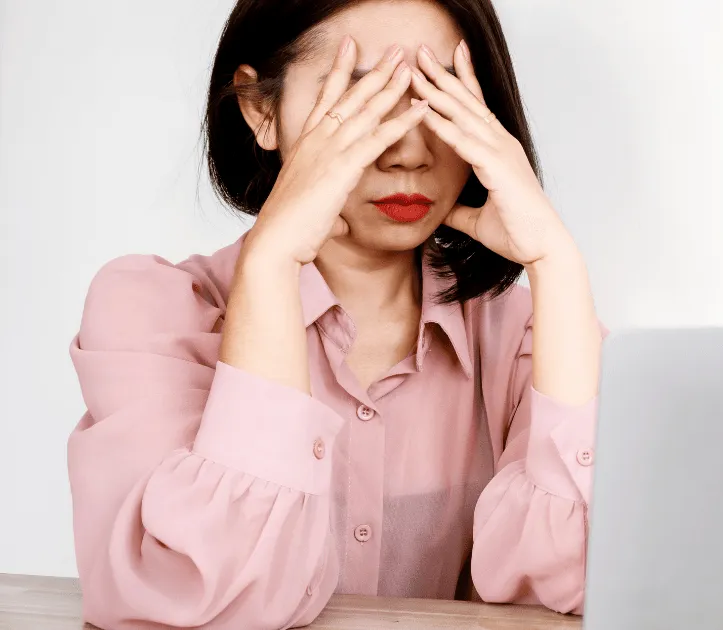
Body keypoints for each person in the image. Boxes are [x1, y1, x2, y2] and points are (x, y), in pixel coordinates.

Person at [65, 0, 603, 627]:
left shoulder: (530, 338)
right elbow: (191, 601)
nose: (409, 152)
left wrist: (557, 264)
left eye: (439, 98)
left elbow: (574, 587)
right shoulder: (151, 314)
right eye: (367, 99)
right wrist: (271, 265)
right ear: (261, 110)